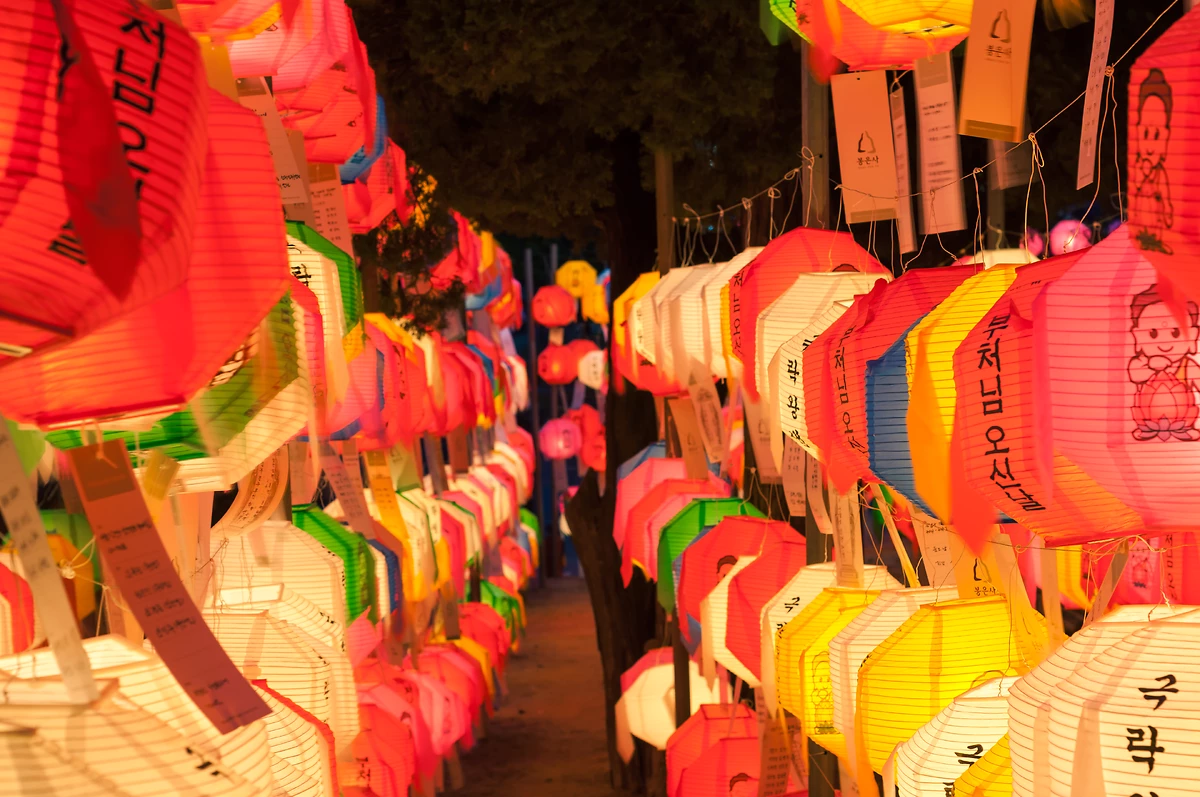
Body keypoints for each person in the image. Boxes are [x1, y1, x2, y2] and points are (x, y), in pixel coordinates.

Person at [1128, 284, 1200, 441]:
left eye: (1176, 332)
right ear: (1137, 337)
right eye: (1152, 333)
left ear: (1194, 336)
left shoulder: (1189, 367)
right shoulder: (1140, 363)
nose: (1164, 343)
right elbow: (1136, 374)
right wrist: (1152, 366)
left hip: (1183, 423)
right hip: (1147, 423)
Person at [1132, 68, 1174, 254]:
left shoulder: (1160, 173)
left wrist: (1168, 211)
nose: (1149, 145)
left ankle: (1156, 241)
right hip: (1141, 215)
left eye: (1156, 135)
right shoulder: (1138, 168)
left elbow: (1165, 193)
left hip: (1156, 218)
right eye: (1146, 133)